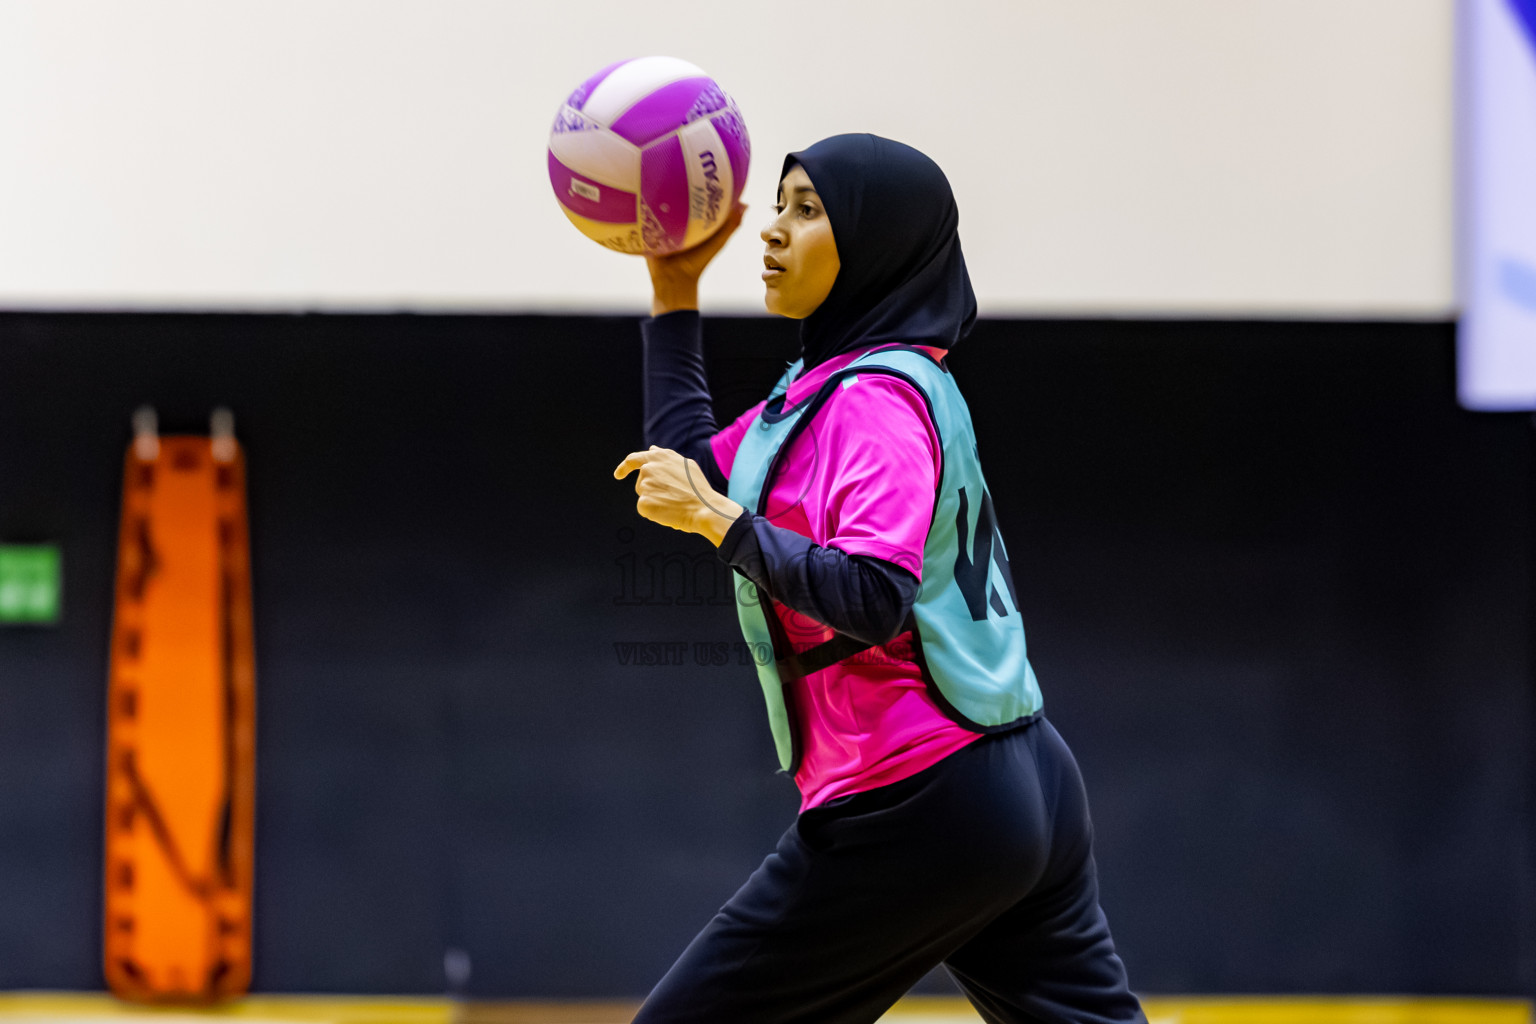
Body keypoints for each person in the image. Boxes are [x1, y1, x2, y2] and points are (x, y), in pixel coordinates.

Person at [612, 134, 1145, 1024]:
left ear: (879, 242)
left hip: (920, 794)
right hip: (1021, 777)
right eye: (778, 206)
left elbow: (870, 596)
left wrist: (718, 520)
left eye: (808, 210)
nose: (774, 231)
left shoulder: (870, 400)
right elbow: (686, 464)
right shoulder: (846, 386)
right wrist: (674, 290)